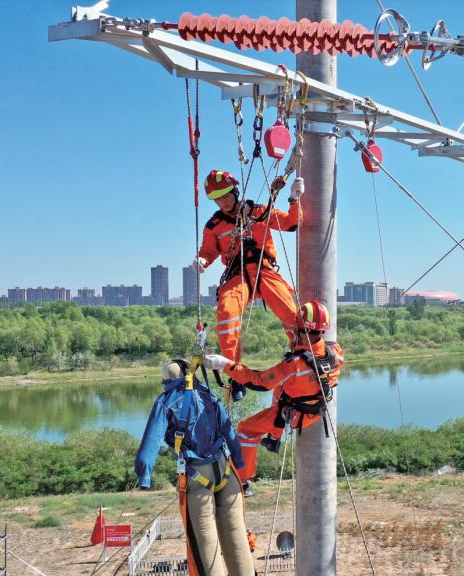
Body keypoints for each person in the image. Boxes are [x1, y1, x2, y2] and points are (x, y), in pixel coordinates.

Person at [203, 300, 343, 494]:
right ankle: (274, 438)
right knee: (282, 389)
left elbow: (259, 381)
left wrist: (225, 364)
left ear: (300, 330)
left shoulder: (293, 365)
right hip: (316, 410)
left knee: (246, 430)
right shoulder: (335, 352)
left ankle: (243, 480)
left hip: (294, 415)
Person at [135, 359, 255, 576]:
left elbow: (149, 446)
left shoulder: (166, 401)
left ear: (167, 380)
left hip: (197, 476)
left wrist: (145, 479)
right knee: (237, 539)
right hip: (225, 470)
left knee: (206, 549)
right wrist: (241, 468)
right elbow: (230, 435)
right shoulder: (208, 394)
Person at [194, 169, 304, 363]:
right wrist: (202, 261)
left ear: (235, 192)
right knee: (227, 312)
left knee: (291, 310)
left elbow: (291, 223)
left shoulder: (259, 212)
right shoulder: (214, 226)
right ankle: (233, 369)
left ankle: (301, 353)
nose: (224, 202)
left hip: (265, 271)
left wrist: (294, 200)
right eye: (218, 200)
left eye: (226, 196)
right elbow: (208, 251)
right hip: (238, 276)